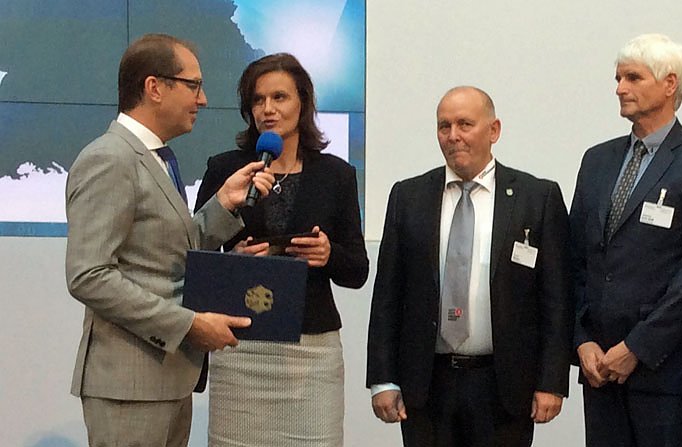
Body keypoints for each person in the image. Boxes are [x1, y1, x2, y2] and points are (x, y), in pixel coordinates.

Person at [64, 33, 275, 447]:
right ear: (154, 87)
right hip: (129, 387)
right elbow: (88, 275)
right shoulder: (110, 158)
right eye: (193, 85)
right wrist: (189, 324)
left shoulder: (155, 158)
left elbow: (166, 253)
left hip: (168, 380)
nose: (203, 100)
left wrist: (222, 204)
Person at [366, 86, 572, 446]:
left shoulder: (537, 198)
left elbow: (556, 299)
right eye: (444, 126)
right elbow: (387, 296)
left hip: (504, 387)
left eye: (465, 124)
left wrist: (551, 381)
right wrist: (383, 379)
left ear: (494, 130)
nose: (453, 136)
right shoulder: (408, 197)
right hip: (426, 385)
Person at [194, 53, 369, 446]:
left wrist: (328, 255)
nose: (268, 109)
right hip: (239, 345)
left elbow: (358, 271)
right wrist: (233, 262)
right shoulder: (225, 169)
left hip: (312, 352)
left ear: (302, 103)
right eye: (258, 100)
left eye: (279, 97)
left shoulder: (336, 175)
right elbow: (194, 253)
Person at [569, 33, 682, 446]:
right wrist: (582, 340)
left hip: (667, 372)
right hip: (600, 368)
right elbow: (575, 257)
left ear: (669, 84)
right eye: (618, 78)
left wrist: (637, 347)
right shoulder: (597, 160)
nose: (620, 88)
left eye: (633, 78)